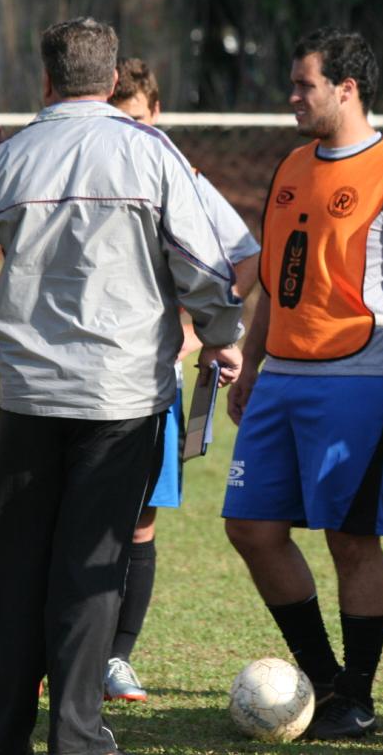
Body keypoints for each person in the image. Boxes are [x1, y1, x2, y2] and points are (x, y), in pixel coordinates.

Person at [0, 17, 244, 755]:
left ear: (46, 80)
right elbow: (203, 263)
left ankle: (2, 734)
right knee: (90, 568)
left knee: (11, 569)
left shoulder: (8, 159)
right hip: (122, 398)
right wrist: (222, 338)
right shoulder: (150, 153)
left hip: (29, 395)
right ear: (110, 80)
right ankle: (76, 735)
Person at [223, 28, 383, 739]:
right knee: (251, 528)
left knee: (349, 541)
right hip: (280, 377)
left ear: (345, 89)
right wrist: (251, 362)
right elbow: (272, 281)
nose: (292, 97)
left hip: (359, 380)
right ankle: (319, 680)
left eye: (303, 85)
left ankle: (357, 691)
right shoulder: (292, 164)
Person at [101, 56, 261, 702]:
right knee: (62, 518)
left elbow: (245, 255)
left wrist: (201, 333)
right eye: (117, 119)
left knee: (138, 521)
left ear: (157, 115)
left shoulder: (174, 171)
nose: (128, 132)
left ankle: (113, 658)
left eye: (137, 119)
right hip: (79, 373)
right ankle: (33, 655)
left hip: (153, 377)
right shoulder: (78, 163)